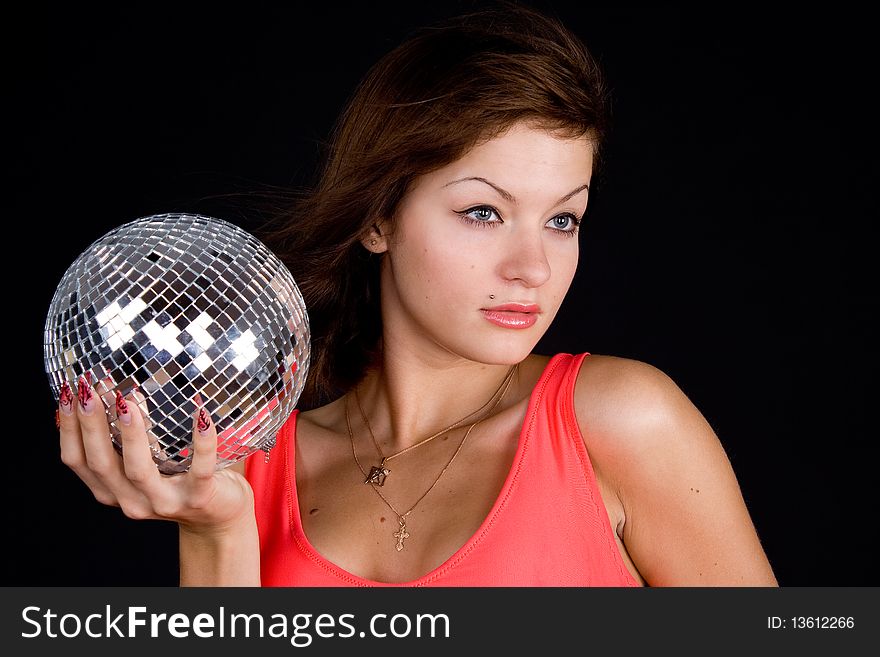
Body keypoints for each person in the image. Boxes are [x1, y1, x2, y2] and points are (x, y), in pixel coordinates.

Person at [57, 1, 778, 586]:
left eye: (563, 219)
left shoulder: (622, 423)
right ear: (379, 216)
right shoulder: (251, 465)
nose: (533, 265)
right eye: (483, 212)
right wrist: (214, 531)